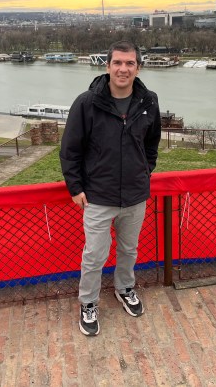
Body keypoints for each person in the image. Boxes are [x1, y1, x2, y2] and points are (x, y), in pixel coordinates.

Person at [59, 40, 161, 336]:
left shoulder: (149, 101)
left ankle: (124, 288)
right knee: (95, 255)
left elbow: (152, 144)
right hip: (98, 196)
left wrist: (144, 171)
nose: (123, 69)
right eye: (117, 62)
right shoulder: (86, 103)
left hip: (135, 196)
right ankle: (88, 302)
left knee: (129, 249)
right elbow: (70, 150)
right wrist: (75, 187)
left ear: (138, 68)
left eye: (130, 63)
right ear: (107, 66)